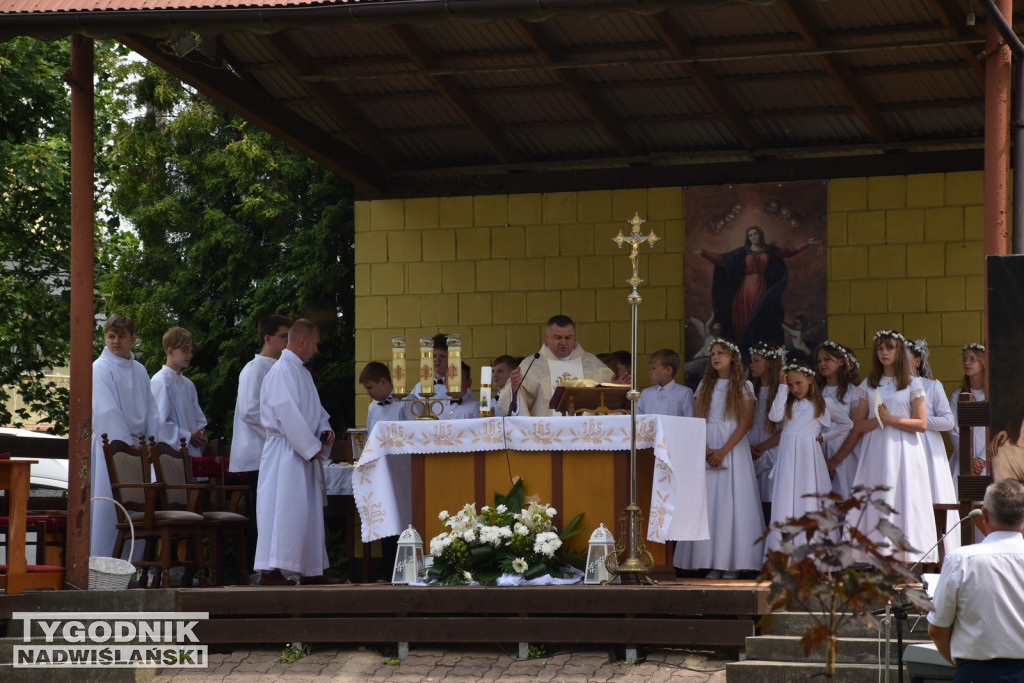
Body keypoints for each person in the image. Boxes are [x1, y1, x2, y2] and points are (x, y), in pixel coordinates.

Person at [254, 319, 342, 585]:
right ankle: (273, 571)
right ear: (302, 341)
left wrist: (325, 430)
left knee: (307, 512)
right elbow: (287, 414)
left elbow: (316, 411)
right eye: (315, 344)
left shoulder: (302, 372)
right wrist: (310, 446)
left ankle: (311, 570)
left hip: (302, 451)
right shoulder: (281, 371)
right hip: (285, 452)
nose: (316, 350)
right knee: (283, 509)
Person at [673, 338, 764, 579]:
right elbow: (698, 417)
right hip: (707, 444)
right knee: (710, 503)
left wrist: (722, 451)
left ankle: (731, 563)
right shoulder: (704, 385)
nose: (716, 357)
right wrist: (704, 449)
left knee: (730, 502)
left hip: (732, 447)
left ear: (732, 358)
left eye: (721, 353)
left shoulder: (744, 387)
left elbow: (745, 423)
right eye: (713, 353)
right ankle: (712, 560)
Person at [847, 330, 937, 565]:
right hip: (876, 448)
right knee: (879, 495)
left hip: (905, 448)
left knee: (904, 497)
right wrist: (877, 420)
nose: (884, 353)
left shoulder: (912, 382)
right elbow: (857, 424)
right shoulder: (869, 383)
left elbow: (922, 423)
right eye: (880, 348)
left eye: (890, 348)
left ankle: (905, 560)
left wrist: (890, 420)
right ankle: (880, 558)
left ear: (899, 352)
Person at [927, 478, 1024, 681]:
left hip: (976, 672)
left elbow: (937, 629)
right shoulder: (962, 559)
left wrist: (959, 662)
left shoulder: (961, 560)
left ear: (984, 515)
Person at [763, 362, 851, 555]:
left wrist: (824, 437)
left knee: (810, 499)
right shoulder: (787, 402)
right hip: (788, 457)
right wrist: (782, 387)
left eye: (798, 383)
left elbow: (846, 423)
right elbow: (775, 416)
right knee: (787, 499)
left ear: (810, 379)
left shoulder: (824, 403)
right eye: (791, 385)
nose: (795, 388)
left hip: (809, 458)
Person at [91, 314, 159, 557]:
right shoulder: (100, 368)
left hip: (139, 448)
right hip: (112, 447)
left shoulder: (139, 370)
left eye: (121, 336)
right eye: (111, 336)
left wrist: (150, 442)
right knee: (110, 509)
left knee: (135, 511)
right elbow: (107, 410)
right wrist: (126, 448)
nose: (116, 341)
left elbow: (152, 409)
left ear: (133, 339)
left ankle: (131, 566)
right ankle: (103, 564)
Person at [693, 226, 820, 350]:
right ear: (748, 238)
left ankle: (757, 348)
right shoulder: (742, 253)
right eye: (750, 235)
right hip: (745, 290)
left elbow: (788, 252)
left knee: (760, 314)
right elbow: (721, 259)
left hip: (761, 287)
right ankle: (744, 349)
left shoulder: (769, 251)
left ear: (760, 235)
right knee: (744, 318)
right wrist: (704, 253)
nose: (753, 237)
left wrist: (806, 244)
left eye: (755, 234)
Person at [230, 314, 291, 571]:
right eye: (283, 337)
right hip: (259, 452)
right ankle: (259, 569)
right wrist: (281, 436)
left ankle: (275, 566)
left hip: (273, 450)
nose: (288, 342)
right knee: (261, 512)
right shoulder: (254, 369)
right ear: (268, 338)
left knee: (275, 511)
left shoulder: (280, 368)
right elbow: (250, 411)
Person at [497, 315, 613, 417]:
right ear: (547, 337)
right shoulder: (532, 364)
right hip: (547, 435)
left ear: (575, 337)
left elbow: (609, 399)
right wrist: (514, 389)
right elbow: (513, 405)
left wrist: (618, 386)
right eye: (558, 338)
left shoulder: (592, 364)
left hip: (585, 434)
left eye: (568, 338)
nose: (563, 342)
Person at [909, 339, 959, 556]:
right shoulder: (890, 388)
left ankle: (940, 552)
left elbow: (948, 421)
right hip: (906, 446)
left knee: (933, 497)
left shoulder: (931, 386)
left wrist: (918, 421)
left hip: (928, 447)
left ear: (917, 361)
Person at [150, 327, 208, 457]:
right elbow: (159, 422)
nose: (190, 355)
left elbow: (199, 418)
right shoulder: (159, 382)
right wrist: (187, 436)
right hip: (170, 457)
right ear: (170, 351)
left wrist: (200, 434)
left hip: (191, 451)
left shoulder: (188, 384)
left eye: (191, 351)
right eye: (185, 351)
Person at [816, 340, 859, 499]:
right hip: (821, 448)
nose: (822, 364)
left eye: (827, 359)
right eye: (819, 360)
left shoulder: (853, 392)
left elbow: (856, 428)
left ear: (841, 362)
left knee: (844, 496)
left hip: (845, 450)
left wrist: (834, 461)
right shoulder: (817, 392)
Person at [747, 342, 783, 519]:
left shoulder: (781, 391)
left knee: (769, 495)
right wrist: (749, 446)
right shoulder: (750, 389)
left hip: (771, 447)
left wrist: (762, 447)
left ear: (770, 363)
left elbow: (784, 429)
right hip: (750, 446)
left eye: (756, 361)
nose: (751, 365)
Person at [950, 343, 988, 484]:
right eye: (964, 359)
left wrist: (983, 458)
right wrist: (969, 458)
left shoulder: (993, 395)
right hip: (965, 456)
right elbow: (953, 428)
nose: (967, 363)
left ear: (983, 361)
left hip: (989, 455)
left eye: (972, 359)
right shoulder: (958, 395)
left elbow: (1000, 427)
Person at [636, 349, 694, 418]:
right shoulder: (646, 393)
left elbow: (691, 420)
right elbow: (638, 419)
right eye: (650, 368)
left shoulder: (685, 393)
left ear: (668, 370)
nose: (649, 372)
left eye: (653, 368)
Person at [361, 361, 408, 436]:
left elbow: (414, 433)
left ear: (383, 382)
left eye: (369, 388)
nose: (367, 393)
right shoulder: (372, 407)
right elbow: (371, 438)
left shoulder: (406, 401)